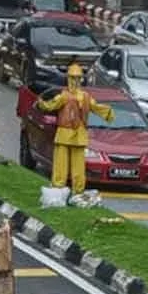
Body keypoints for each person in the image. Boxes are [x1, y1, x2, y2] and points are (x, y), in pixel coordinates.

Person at [36, 62, 115, 196]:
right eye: (74, 78)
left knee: (63, 166)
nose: (74, 80)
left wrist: (40, 103)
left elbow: (50, 106)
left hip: (66, 135)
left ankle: (60, 189)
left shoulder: (65, 96)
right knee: (75, 167)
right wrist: (109, 113)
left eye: (75, 78)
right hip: (77, 136)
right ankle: (76, 191)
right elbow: (97, 108)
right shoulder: (85, 97)